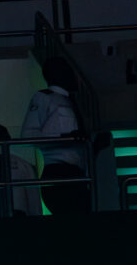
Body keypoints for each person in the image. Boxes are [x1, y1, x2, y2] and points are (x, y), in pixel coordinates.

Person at [19, 82, 88, 214]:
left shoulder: (71, 100)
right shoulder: (44, 97)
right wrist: (63, 138)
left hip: (77, 171)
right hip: (57, 170)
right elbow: (28, 135)